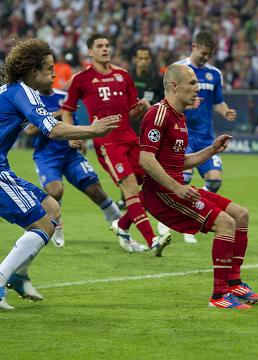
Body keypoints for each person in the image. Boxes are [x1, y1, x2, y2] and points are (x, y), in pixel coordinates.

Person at [0, 39, 119, 310]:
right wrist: (92, 130)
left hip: (3, 167)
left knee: (51, 208)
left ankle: (18, 276)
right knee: (42, 225)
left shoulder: (9, 92)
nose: (55, 75)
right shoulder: (24, 92)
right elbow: (52, 129)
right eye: (50, 69)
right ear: (32, 71)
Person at [139, 63, 258, 309]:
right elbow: (146, 159)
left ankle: (234, 283)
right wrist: (176, 187)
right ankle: (219, 296)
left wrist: (211, 150)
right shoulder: (158, 114)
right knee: (225, 223)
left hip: (175, 188)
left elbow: (180, 161)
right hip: (161, 193)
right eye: (192, 83)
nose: (198, 89)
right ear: (174, 86)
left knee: (240, 214)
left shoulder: (179, 117)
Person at [61, 33, 170, 255]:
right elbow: (67, 110)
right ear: (90, 51)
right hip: (107, 143)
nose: (105, 49)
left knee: (152, 185)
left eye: (107, 45)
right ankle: (153, 240)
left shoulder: (123, 75)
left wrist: (140, 108)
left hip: (130, 138)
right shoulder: (81, 79)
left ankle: (122, 226)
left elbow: (131, 112)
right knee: (130, 187)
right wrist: (73, 134)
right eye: (100, 46)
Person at [24, 83, 121, 247]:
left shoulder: (65, 97)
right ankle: (57, 224)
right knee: (56, 190)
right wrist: (56, 114)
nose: (51, 75)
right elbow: (29, 130)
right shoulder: (31, 99)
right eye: (48, 70)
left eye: (52, 71)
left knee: (95, 190)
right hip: (47, 156)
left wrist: (79, 140)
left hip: (70, 154)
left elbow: (73, 123)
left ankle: (121, 224)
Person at [173, 31, 237, 244]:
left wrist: (225, 111)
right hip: (184, 133)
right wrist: (187, 104)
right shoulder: (180, 69)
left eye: (209, 55)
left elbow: (218, 101)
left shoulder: (214, 74)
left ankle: (191, 213)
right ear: (193, 47)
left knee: (215, 180)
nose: (205, 58)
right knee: (186, 177)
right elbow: (169, 99)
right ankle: (185, 221)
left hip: (206, 136)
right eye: (203, 53)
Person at [130, 46, 164, 135]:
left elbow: (164, 104)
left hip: (150, 127)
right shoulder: (127, 77)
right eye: (140, 58)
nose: (143, 62)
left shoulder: (158, 80)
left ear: (150, 60)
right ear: (135, 59)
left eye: (146, 58)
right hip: (130, 127)